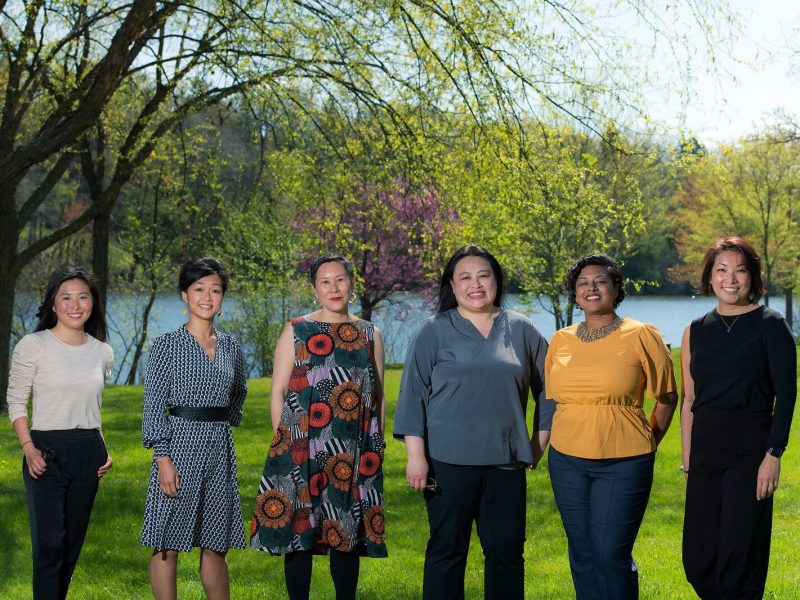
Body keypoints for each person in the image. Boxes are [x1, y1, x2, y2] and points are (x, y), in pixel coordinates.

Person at [393, 244, 553, 600]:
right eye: (465, 277)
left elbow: (551, 389)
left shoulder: (523, 330)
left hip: (506, 462)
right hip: (447, 462)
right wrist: (416, 456)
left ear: (497, 281)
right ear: (452, 285)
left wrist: (538, 442)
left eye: (483, 275)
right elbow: (412, 396)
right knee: (447, 550)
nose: (475, 284)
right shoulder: (432, 331)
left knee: (506, 552)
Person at [250, 253, 387, 600]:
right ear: (315, 289)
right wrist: (286, 444)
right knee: (300, 534)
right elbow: (278, 391)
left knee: (346, 532)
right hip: (301, 447)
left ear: (352, 284)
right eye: (325, 282)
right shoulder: (297, 329)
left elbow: (379, 397)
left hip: (352, 450)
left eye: (340, 279)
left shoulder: (370, 333)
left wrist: (377, 447)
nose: (334, 288)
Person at [545, 254, 677, 600]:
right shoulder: (560, 340)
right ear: (575, 294)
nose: (591, 288)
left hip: (625, 461)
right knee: (582, 552)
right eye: (583, 283)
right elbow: (556, 399)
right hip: (566, 460)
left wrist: (647, 440)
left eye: (600, 281)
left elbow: (667, 398)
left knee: (610, 553)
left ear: (616, 289)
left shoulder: (642, 334)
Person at [681, 237, 796, 599]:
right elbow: (689, 399)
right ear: (709, 277)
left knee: (740, 556)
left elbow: (787, 395)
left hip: (750, 453)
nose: (730, 279)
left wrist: (773, 455)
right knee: (698, 560)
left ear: (752, 277)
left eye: (740, 271)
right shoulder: (695, 330)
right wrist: (688, 460)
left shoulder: (771, 325)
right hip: (705, 454)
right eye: (722, 270)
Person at [141, 256, 248, 600]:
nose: (207, 297)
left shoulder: (231, 347)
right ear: (185, 295)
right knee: (167, 544)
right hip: (179, 448)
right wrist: (163, 459)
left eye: (215, 290)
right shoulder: (166, 345)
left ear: (222, 297)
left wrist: (225, 420)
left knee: (216, 545)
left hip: (219, 449)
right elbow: (154, 405)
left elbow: (239, 390)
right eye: (199, 289)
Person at [6, 266, 114, 600]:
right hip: (45, 452)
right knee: (49, 546)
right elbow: (16, 401)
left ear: (93, 303)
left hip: (88, 454)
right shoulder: (33, 345)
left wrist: (104, 449)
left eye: (83, 297)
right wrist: (29, 448)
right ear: (53, 303)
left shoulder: (102, 352)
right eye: (66, 297)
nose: (74, 305)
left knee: (70, 547)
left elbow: (91, 407)